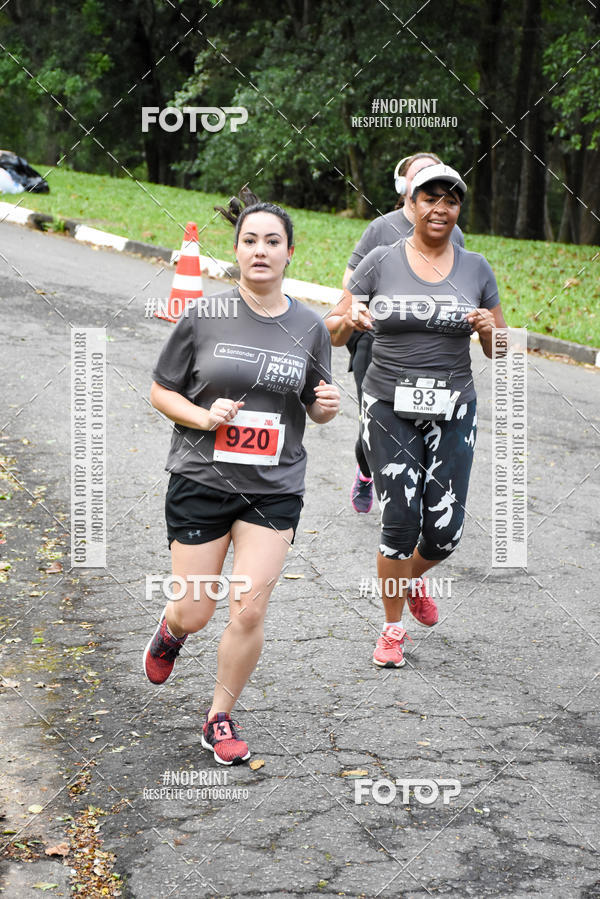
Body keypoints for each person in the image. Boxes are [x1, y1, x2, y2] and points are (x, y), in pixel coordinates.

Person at [143, 201, 340, 763]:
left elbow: (316, 406)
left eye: (272, 241)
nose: (260, 250)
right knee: (197, 610)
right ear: (236, 250)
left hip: (275, 484)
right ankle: (173, 630)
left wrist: (325, 407)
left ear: (289, 253)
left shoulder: (308, 325)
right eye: (250, 240)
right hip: (202, 477)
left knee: (249, 608)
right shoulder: (203, 317)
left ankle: (218, 718)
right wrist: (204, 417)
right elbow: (161, 390)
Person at [327, 163, 507, 668]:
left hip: (454, 406)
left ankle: (410, 578)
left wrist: (485, 329)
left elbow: (501, 346)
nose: (439, 208)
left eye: (450, 201)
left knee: (446, 533)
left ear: (457, 211)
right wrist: (352, 319)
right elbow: (334, 326)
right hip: (388, 403)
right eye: (430, 198)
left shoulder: (476, 267)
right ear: (412, 201)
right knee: (400, 522)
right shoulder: (382, 259)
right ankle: (391, 629)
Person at [338, 152, 465, 514]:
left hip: (431, 349)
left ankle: (411, 505)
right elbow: (351, 279)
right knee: (374, 423)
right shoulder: (383, 227)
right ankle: (366, 471)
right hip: (375, 342)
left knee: (427, 427)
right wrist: (360, 305)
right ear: (406, 188)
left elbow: (461, 284)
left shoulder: (455, 234)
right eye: (421, 177)